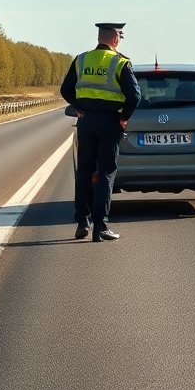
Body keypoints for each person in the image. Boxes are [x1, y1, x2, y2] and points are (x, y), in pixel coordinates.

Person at [59, 22, 140, 242]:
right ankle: (101, 227)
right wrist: (123, 118)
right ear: (115, 38)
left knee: (84, 171)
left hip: (85, 123)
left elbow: (65, 89)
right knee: (105, 173)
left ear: (99, 37)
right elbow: (135, 96)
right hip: (109, 123)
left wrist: (78, 107)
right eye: (120, 37)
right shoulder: (120, 62)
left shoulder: (82, 59)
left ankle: (82, 222)